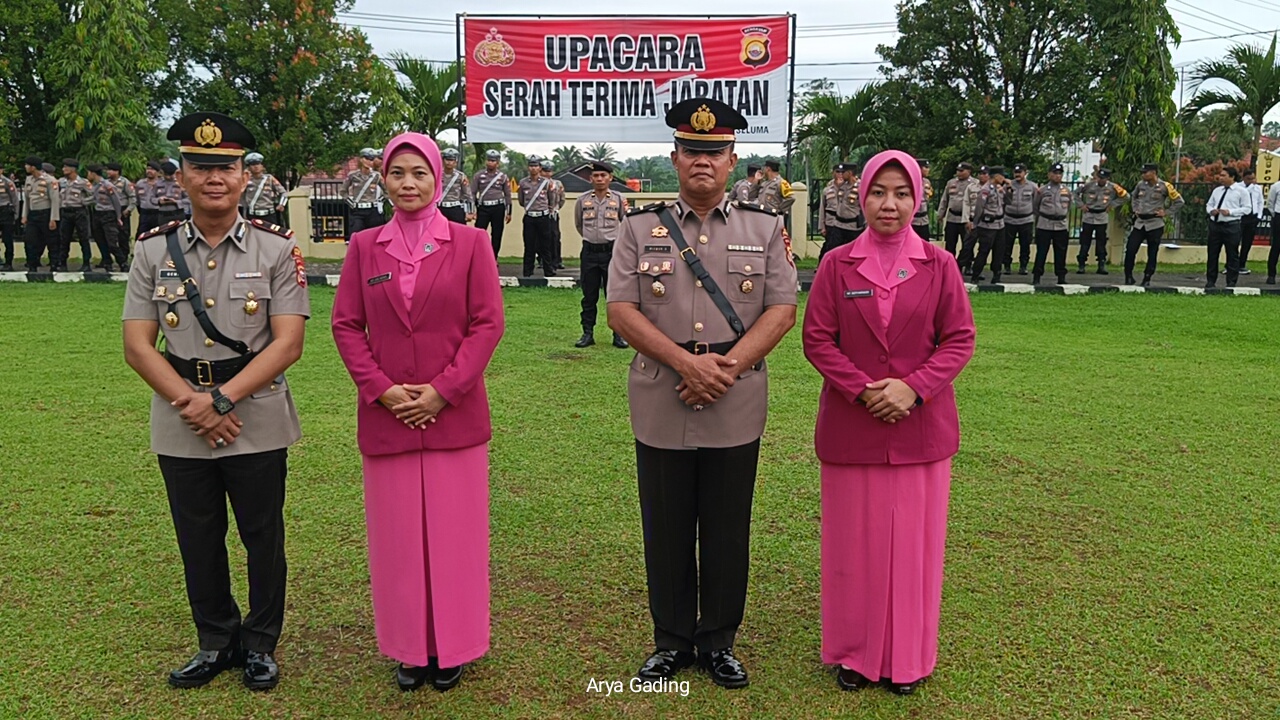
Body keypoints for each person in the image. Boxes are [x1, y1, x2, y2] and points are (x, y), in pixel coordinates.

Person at [608, 97, 797, 690]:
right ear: (675, 157)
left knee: (725, 526)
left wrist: (724, 368)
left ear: (733, 160)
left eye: (715, 154)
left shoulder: (764, 229)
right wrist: (684, 367)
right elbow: (620, 309)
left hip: (733, 397)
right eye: (692, 151)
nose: (703, 162)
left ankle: (717, 641)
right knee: (664, 527)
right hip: (663, 393)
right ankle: (671, 642)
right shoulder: (639, 229)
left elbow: (782, 310)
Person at [121, 111, 309, 692]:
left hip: (253, 411)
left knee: (261, 534)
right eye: (199, 166)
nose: (213, 177)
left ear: (244, 176)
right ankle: (215, 640)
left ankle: (259, 644)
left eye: (224, 166)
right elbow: (136, 345)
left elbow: (289, 342)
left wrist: (221, 401)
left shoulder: (277, 249)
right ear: (180, 177)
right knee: (196, 536)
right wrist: (194, 404)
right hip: (181, 416)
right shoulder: (153, 251)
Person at [331, 131, 504, 693]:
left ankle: (453, 646)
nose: (408, 184)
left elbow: (487, 323)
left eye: (419, 173)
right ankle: (409, 647)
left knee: (456, 538)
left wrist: (442, 391)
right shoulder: (364, 248)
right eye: (397, 173)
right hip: (388, 416)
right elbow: (345, 325)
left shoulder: (472, 242)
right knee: (398, 540)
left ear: (438, 178)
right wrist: (381, 390)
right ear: (383, 180)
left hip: (453, 414)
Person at [802, 149, 975, 696]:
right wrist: (864, 390)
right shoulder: (836, 264)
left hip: (920, 431)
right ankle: (854, 654)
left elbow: (959, 340)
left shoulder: (939, 264)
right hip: (854, 428)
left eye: (901, 193)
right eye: (879, 192)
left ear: (918, 199)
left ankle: (907, 660)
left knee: (914, 551)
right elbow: (817, 341)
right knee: (853, 547)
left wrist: (913, 388)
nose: (889, 204)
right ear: (861, 196)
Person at [574, 161, 629, 348]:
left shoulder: (619, 199)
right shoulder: (582, 200)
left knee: (613, 295)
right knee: (589, 296)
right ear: (591, 179)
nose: (599, 179)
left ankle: (618, 334)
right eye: (596, 176)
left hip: (611, 253)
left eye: (603, 176)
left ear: (610, 178)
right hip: (589, 252)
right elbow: (579, 225)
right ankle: (587, 333)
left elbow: (626, 222)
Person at [1124, 163, 1184, 286]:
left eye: (1145, 172)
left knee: (1152, 252)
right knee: (1130, 249)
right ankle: (1128, 275)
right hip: (1140, 223)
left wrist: (1166, 212)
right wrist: (1135, 208)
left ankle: (1147, 277)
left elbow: (1179, 201)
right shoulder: (1140, 185)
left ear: (1153, 173)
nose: (1143, 174)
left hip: (1155, 223)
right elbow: (1133, 197)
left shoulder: (1164, 186)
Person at [1073, 168, 1128, 274]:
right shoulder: (1089, 185)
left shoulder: (1113, 187)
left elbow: (1125, 196)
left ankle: (1101, 264)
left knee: (1101, 242)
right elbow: (1075, 194)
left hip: (1102, 216)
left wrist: (1112, 205)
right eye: (1100, 178)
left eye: (1104, 178)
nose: (1101, 180)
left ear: (1108, 178)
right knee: (1085, 242)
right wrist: (1081, 205)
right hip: (1088, 215)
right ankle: (1081, 264)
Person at [1204, 166, 1249, 289]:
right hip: (1216, 225)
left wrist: (1230, 212)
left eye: (1224, 175)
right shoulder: (1217, 190)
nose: (1221, 178)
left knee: (1232, 254)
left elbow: (1247, 208)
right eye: (1220, 175)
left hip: (1231, 226)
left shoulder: (1241, 191)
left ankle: (1231, 282)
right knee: (1212, 254)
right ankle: (1210, 281)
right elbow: (1209, 204)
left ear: (1232, 177)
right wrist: (1211, 211)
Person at [1030, 162, 1073, 285]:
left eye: (1060, 173)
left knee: (1061, 252)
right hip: (1045, 224)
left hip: (1061, 225)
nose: (1057, 176)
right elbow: (1035, 206)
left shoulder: (1066, 191)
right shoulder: (1042, 190)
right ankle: (1037, 276)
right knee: (1042, 251)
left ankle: (1061, 276)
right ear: (1049, 174)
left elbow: (1068, 207)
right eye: (1055, 173)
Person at [967, 166, 1008, 284]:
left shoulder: (999, 188)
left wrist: (1009, 188)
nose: (1003, 178)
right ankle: (976, 274)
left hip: (1000, 224)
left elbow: (1009, 201)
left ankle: (997, 274)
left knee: (999, 251)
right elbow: (979, 207)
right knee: (984, 251)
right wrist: (975, 223)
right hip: (988, 225)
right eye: (1002, 176)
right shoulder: (986, 189)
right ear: (996, 176)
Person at [518, 156, 557, 277]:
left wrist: (548, 210)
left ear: (540, 168)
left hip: (543, 217)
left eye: (536, 166)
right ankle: (527, 272)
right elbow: (521, 200)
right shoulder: (523, 183)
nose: (533, 168)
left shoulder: (547, 183)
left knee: (545, 245)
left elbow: (552, 199)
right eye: (531, 166)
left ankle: (548, 271)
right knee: (529, 245)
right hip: (529, 217)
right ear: (528, 167)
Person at [21, 156, 60, 271]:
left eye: (27, 165)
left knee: (51, 240)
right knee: (30, 240)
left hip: (46, 213)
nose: (26, 167)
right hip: (33, 214)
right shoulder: (29, 180)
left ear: (33, 167)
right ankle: (32, 265)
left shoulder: (50, 180)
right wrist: (24, 215)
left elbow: (55, 200)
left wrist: (53, 218)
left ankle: (54, 265)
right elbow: (27, 199)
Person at [85, 164, 126, 271]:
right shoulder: (95, 185)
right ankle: (107, 262)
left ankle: (122, 263)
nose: (87, 175)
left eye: (89, 173)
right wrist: (80, 202)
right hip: (98, 214)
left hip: (109, 214)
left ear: (93, 174)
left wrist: (118, 217)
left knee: (111, 242)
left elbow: (116, 201)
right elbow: (94, 199)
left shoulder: (108, 185)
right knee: (100, 240)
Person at [472, 149, 512, 260]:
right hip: (483, 207)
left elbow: (507, 195)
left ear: (498, 162)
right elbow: (473, 193)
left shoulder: (502, 177)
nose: (491, 163)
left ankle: (493, 257)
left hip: (498, 207)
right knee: (479, 233)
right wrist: (473, 208)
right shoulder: (479, 176)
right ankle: (478, 257)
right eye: (489, 160)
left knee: (497, 234)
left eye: (493, 161)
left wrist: (509, 212)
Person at [818, 163, 861, 260]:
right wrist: (822, 226)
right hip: (837, 225)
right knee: (830, 250)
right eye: (838, 172)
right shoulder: (838, 187)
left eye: (843, 172)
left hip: (853, 227)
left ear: (849, 173)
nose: (841, 175)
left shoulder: (860, 187)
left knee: (853, 253)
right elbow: (823, 207)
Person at [59, 159, 95, 271]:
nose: (63, 169)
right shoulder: (61, 182)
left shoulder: (83, 182)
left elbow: (94, 195)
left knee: (83, 238)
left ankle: (86, 263)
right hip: (66, 212)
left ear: (73, 169)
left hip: (79, 212)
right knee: (64, 239)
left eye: (66, 167)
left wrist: (84, 202)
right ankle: (62, 263)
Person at [938, 162, 977, 259]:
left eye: (961, 171)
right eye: (957, 171)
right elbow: (944, 199)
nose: (958, 173)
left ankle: (967, 264)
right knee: (950, 243)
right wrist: (941, 214)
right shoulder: (951, 182)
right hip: (952, 217)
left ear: (969, 171)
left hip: (966, 219)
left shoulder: (974, 183)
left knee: (967, 244)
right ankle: (949, 264)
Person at [345, 148, 386, 239]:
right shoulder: (353, 175)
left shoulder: (376, 176)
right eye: (366, 158)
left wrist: (381, 200)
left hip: (373, 209)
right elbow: (342, 191)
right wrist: (349, 201)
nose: (368, 161)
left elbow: (386, 191)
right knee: (355, 236)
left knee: (374, 237)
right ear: (361, 159)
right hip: (358, 210)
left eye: (371, 159)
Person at [1003, 163, 1037, 275]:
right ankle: (1007, 266)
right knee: (1007, 245)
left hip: (1026, 219)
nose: (1017, 174)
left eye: (1020, 172)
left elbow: (1036, 202)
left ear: (1025, 173)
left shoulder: (1032, 186)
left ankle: (1023, 266)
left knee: (1025, 245)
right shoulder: (1008, 185)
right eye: (1015, 172)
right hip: (1009, 219)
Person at [241, 153, 288, 227]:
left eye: (258, 164)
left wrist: (281, 204)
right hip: (252, 215)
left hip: (268, 215)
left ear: (262, 166)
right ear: (249, 167)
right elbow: (240, 196)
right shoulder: (246, 180)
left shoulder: (269, 179)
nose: (256, 166)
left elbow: (284, 193)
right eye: (253, 164)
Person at [436, 148, 474, 225]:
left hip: (455, 208)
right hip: (440, 208)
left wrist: (470, 211)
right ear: (443, 160)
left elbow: (468, 194)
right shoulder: (437, 175)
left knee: (459, 233)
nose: (449, 162)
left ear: (455, 162)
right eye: (447, 159)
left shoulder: (461, 176)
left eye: (452, 160)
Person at [541, 158, 566, 269]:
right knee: (541, 238)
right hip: (541, 213)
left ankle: (557, 260)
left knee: (555, 237)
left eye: (549, 171)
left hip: (553, 213)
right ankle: (543, 260)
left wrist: (556, 208)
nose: (547, 173)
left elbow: (562, 199)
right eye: (545, 171)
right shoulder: (538, 183)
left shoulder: (557, 184)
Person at [1239, 170, 1263, 274]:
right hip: (1241, 217)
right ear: (1244, 178)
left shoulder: (1257, 188)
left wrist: (1259, 216)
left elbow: (1260, 202)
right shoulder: (1238, 187)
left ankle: (1242, 264)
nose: (1252, 181)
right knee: (1234, 242)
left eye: (1253, 178)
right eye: (1249, 179)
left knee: (1247, 242)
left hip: (1252, 217)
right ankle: (1231, 264)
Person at [107, 162, 137, 243]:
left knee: (123, 234)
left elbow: (132, 197)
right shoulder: (106, 183)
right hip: (110, 210)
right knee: (110, 234)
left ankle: (124, 253)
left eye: (110, 170)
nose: (108, 172)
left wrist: (129, 209)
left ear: (117, 171)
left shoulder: (125, 182)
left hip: (122, 210)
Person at [136, 162, 162, 241]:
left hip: (158, 213)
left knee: (158, 236)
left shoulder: (162, 184)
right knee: (141, 235)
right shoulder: (140, 183)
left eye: (152, 169)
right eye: (148, 169)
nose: (149, 171)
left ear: (157, 172)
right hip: (144, 213)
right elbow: (137, 200)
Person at [155, 161, 186, 225]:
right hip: (163, 215)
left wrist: (176, 202)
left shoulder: (181, 183)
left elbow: (189, 199)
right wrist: (159, 201)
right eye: (166, 174)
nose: (168, 177)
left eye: (170, 174)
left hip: (177, 214)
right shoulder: (157, 183)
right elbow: (151, 198)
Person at [910, 159, 933, 241]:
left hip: (924, 219)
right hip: (912, 220)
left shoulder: (926, 181)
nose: (928, 170)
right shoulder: (910, 181)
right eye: (925, 167)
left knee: (925, 243)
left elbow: (929, 197)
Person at [0, 164, 18, 270]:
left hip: (5, 211)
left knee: (7, 238)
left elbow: (14, 199)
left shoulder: (7, 182)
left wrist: (15, 214)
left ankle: (8, 262)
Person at [1267, 178, 1280, 284]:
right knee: (1276, 246)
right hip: (1278, 216)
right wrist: (1275, 216)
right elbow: (1270, 203)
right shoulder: (1276, 186)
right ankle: (1271, 275)